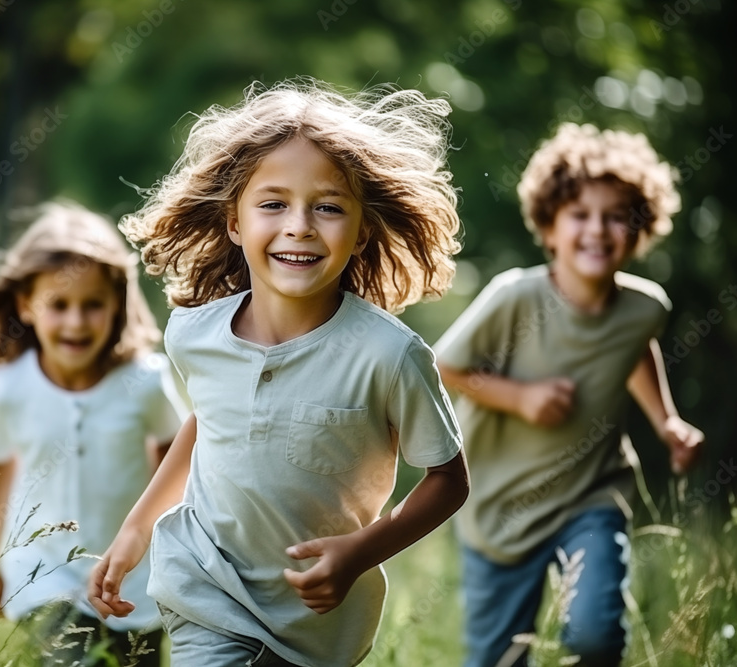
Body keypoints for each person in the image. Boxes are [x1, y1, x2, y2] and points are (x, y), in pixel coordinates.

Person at [86, 78, 470, 667]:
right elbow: (208, 423)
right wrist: (137, 529)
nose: (300, 225)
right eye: (273, 204)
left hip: (320, 621)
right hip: (203, 585)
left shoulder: (388, 356)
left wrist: (359, 553)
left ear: (362, 228)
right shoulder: (193, 334)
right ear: (235, 222)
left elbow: (449, 480)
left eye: (329, 206)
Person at [433, 122, 705, 667]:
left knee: (597, 636)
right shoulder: (515, 296)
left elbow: (633, 348)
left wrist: (667, 421)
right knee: (498, 659)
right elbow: (441, 366)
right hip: (499, 507)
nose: (597, 231)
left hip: (592, 496)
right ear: (550, 227)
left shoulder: (645, 306)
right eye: (580, 215)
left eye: (616, 217)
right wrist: (519, 397)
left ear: (639, 229)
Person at [0, 201, 186, 667]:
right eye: (58, 305)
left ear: (115, 304)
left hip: (134, 578)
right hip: (43, 576)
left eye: (92, 305)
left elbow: (176, 462)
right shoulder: (9, 387)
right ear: (26, 305)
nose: (76, 322)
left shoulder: (144, 382)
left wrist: (181, 552)